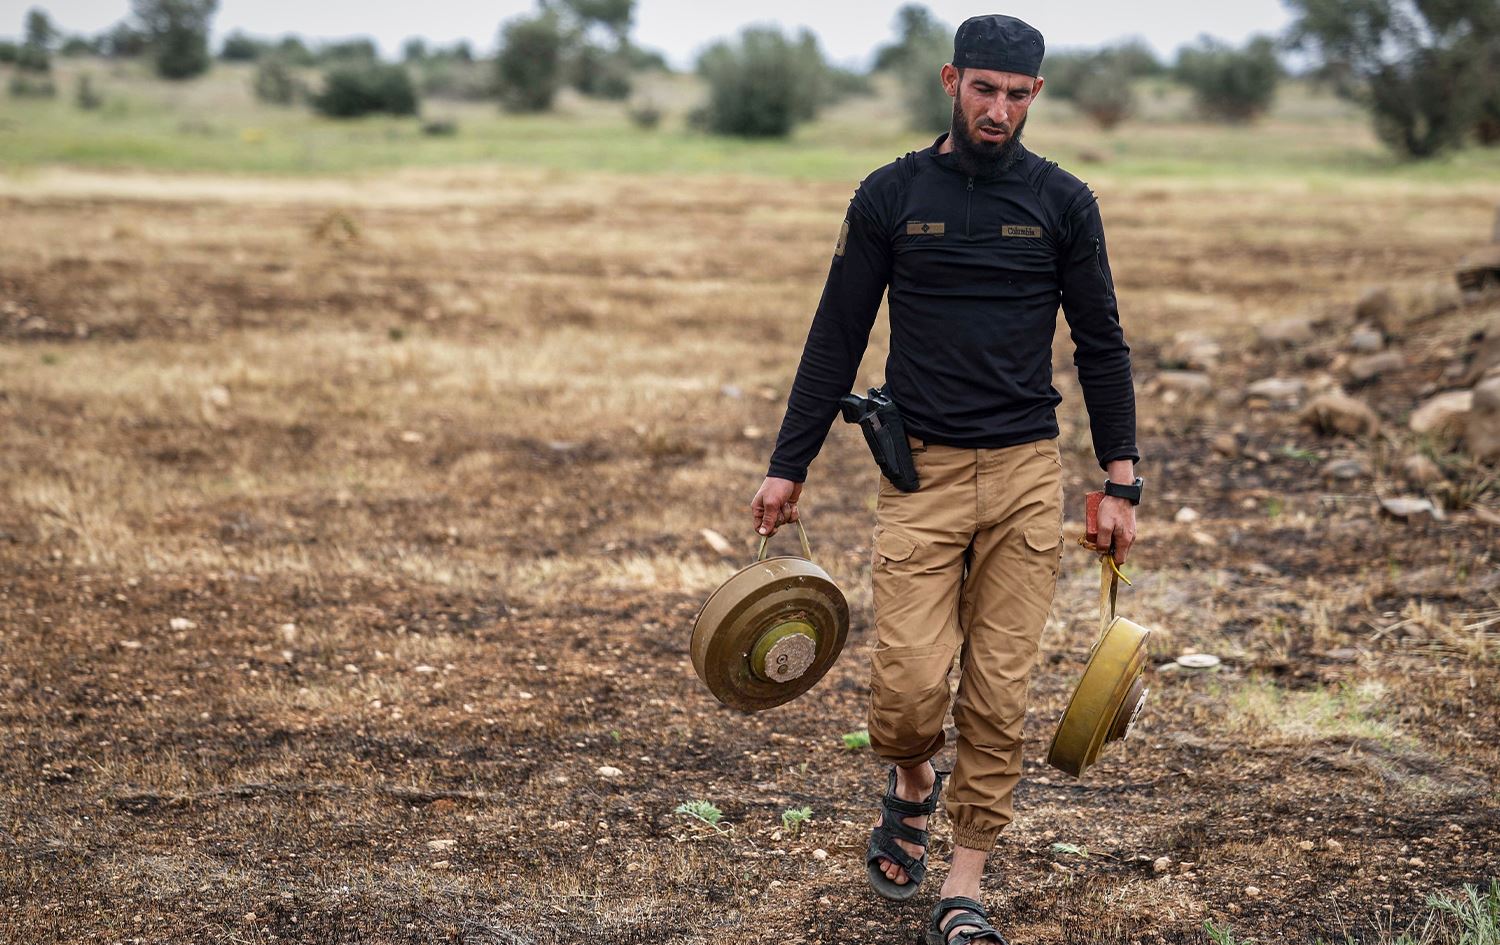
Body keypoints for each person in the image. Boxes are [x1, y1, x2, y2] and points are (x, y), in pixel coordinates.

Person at [748, 13, 1143, 945]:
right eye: (983, 90)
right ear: (950, 80)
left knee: (1000, 693)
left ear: (1035, 96)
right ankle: (913, 780)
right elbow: (835, 335)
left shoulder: (1064, 201)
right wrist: (786, 465)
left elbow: (1102, 343)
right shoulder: (892, 194)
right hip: (918, 475)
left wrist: (1120, 482)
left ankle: (964, 886)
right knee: (910, 693)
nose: (998, 109)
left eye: (1016, 95)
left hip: (1022, 475)